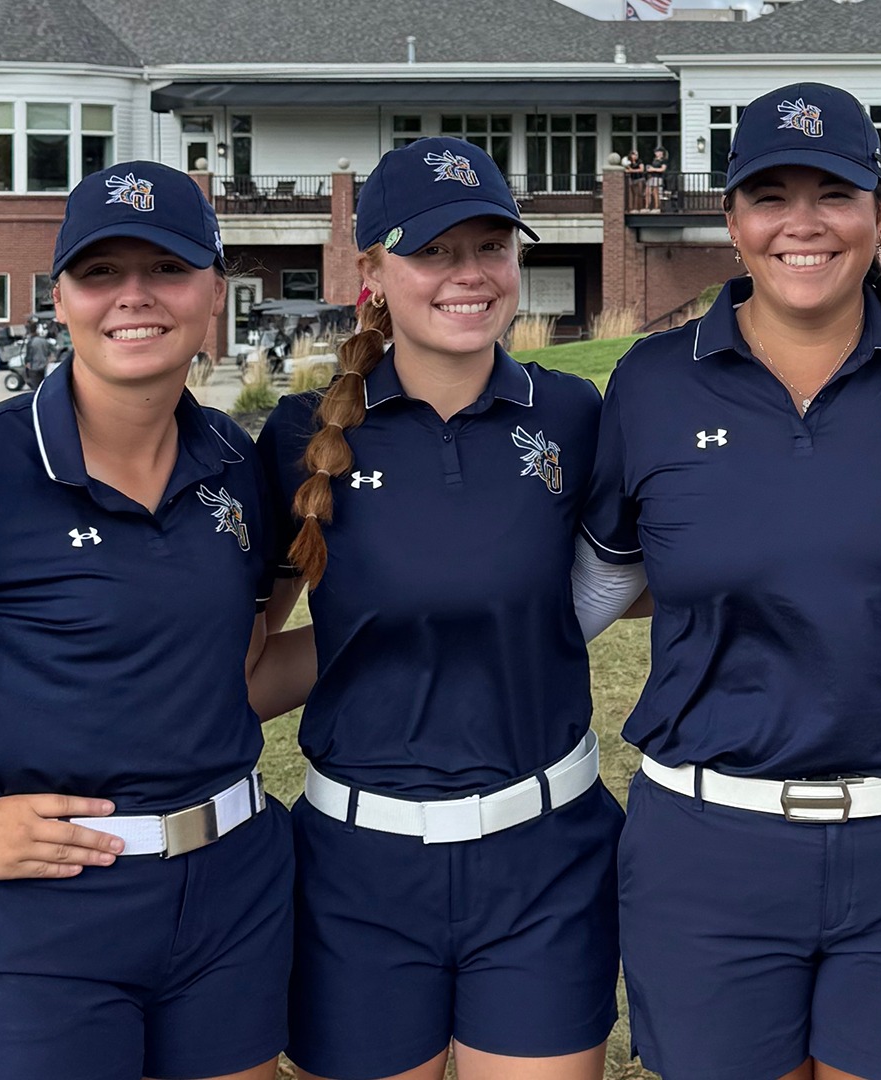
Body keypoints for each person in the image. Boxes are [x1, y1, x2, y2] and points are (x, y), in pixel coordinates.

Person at [582, 82, 881, 1080]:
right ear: (731, 220)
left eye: (835, 192)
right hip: (708, 848)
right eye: (771, 195)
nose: (804, 223)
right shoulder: (651, 382)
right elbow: (590, 596)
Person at [0, 161, 295, 1080]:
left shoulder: (235, 464)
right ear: (63, 297)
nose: (135, 297)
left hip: (234, 897)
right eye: (101, 272)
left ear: (214, 290)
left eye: (166, 269)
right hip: (46, 912)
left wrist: (413, 627)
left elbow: (232, 673)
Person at [256, 137, 622, 1080]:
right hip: (357, 864)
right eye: (433, 251)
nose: (469, 276)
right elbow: (246, 665)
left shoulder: (576, 415)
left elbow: (648, 568)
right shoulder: (301, 434)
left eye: (491, 246)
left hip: (544, 852)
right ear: (371, 271)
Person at [22, 322, 54, 389]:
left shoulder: (31, 342)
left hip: (34, 366)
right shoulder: (44, 341)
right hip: (44, 365)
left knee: (35, 385)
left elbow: (29, 355)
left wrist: (27, 363)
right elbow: (50, 353)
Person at [644, 145, 669, 211]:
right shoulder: (654, 160)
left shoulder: (664, 160)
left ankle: (657, 207)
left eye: (659, 152)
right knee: (647, 191)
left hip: (658, 177)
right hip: (652, 177)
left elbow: (662, 169)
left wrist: (653, 169)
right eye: (657, 152)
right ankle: (647, 206)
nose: (658, 153)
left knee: (656, 192)